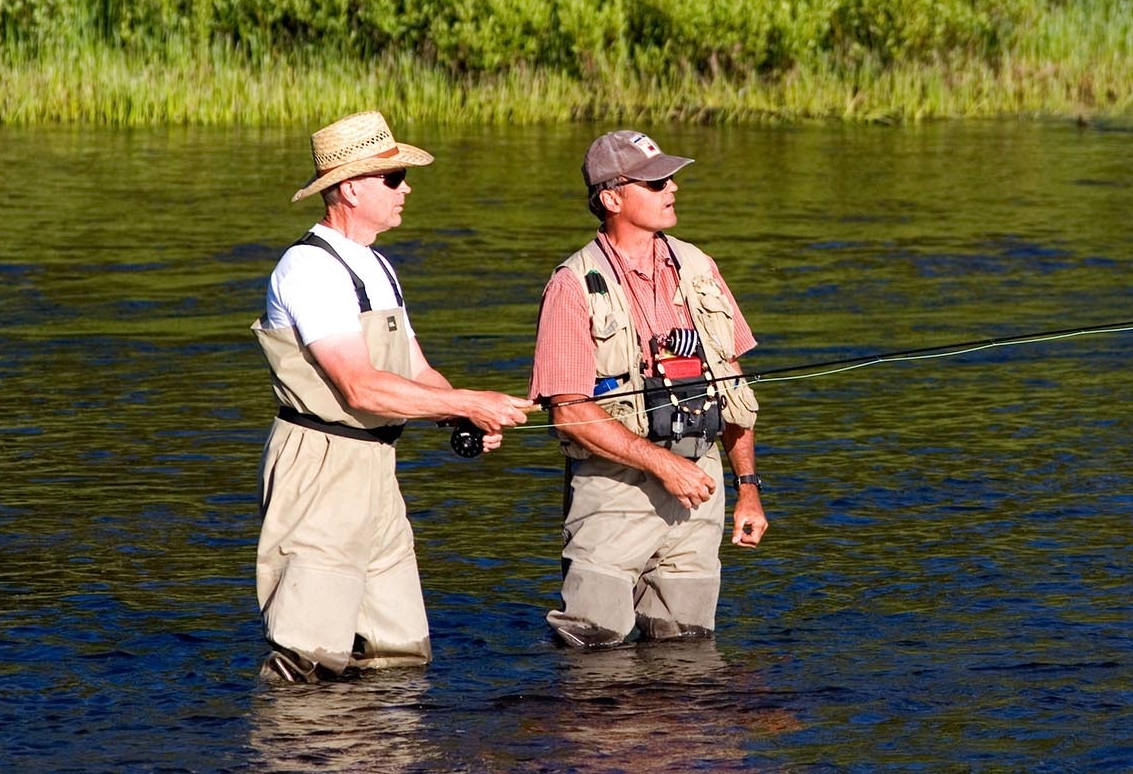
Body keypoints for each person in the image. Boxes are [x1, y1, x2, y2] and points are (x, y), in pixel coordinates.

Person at [251, 110, 535, 682]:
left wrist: (468, 409)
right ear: (351, 187)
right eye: (394, 177)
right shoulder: (308, 268)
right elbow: (358, 384)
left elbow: (416, 369)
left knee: (399, 652)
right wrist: (466, 404)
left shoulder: (379, 264)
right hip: (320, 467)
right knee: (307, 659)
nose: (406, 189)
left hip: (379, 465)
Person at [530, 130, 768, 649]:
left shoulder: (699, 266)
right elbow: (569, 412)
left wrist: (748, 489)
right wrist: (662, 465)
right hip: (613, 491)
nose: (673, 189)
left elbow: (735, 388)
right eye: (657, 181)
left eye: (672, 178)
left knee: (688, 649)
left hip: (700, 489)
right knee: (593, 654)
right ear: (612, 198)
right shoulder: (572, 285)